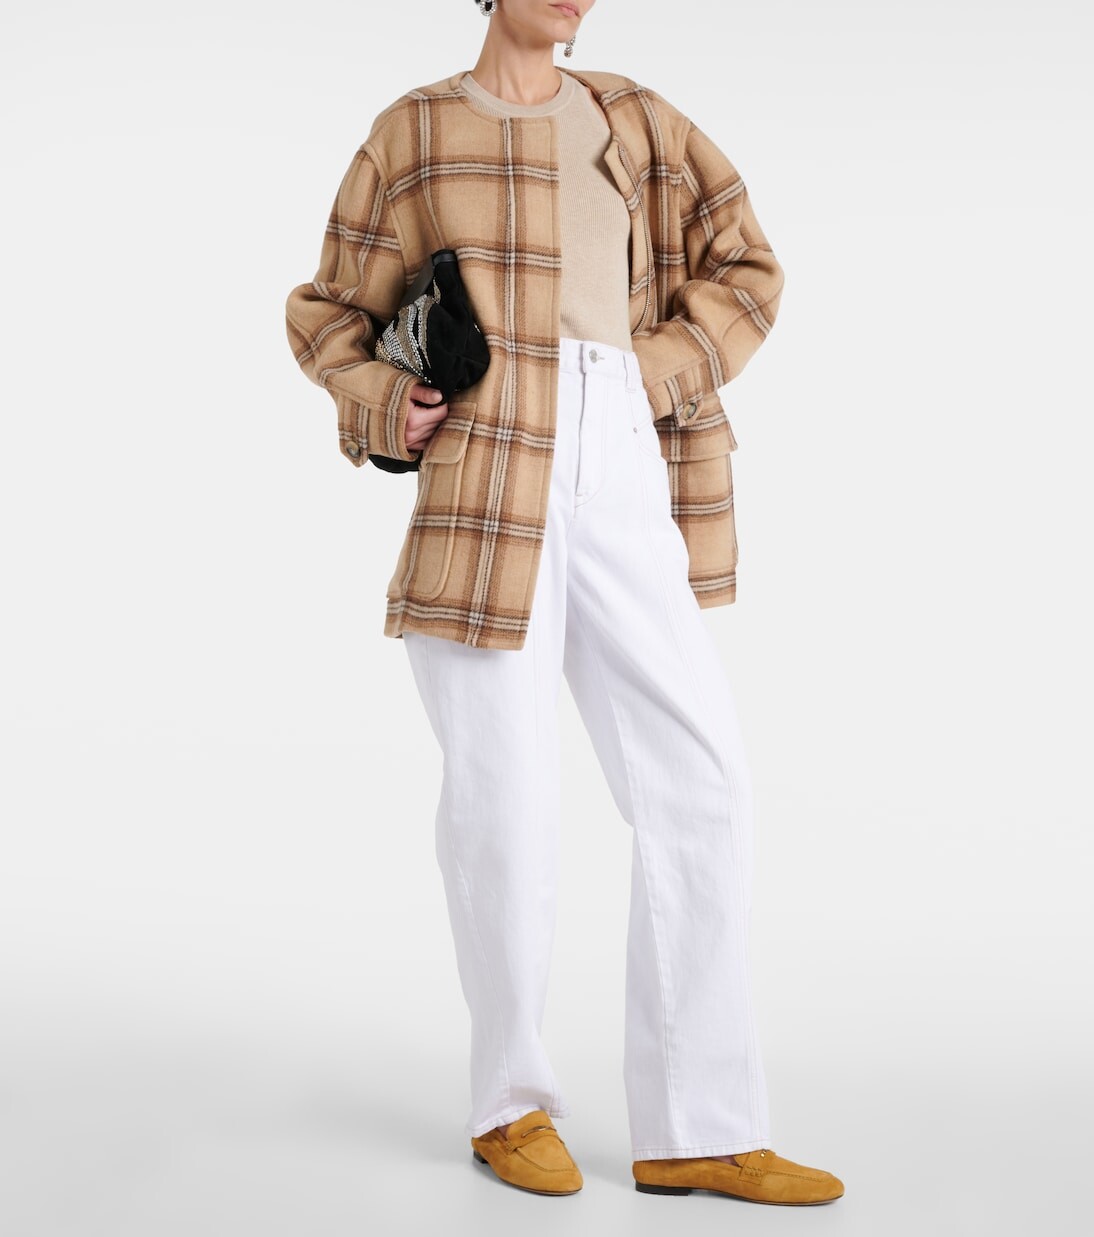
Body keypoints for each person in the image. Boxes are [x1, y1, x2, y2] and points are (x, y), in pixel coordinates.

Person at [285, 0, 844, 1206]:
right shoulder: (414, 132)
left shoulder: (636, 119)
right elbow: (327, 311)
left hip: (622, 452)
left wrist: (651, 371)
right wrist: (385, 404)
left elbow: (747, 263)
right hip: (487, 472)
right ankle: (508, 1102)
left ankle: (697, 1125)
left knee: (702, 780)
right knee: (506, 801)